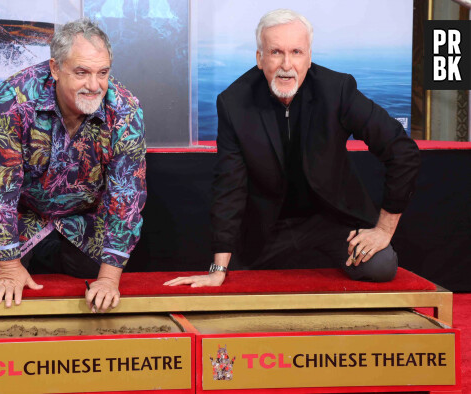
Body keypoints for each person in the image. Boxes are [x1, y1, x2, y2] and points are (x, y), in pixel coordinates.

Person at [165, 9, 420, 288]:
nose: (287, 64)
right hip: (267, 226)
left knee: (381, 265)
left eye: (296, 52)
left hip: (333, 219)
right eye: (276, 52)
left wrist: (383, 230)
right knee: (231, 281)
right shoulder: (233, 102)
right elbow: (229, 188)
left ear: (309, 57)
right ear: (260, 58)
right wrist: (217, 269)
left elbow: (401, 150)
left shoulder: (338, 90)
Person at [0, 18, 146, 311]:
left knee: (105, 278)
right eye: (82, 72)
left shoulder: (125, 110)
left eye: (102, 73)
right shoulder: (13, 98)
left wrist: (108, 278)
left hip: (85, 221)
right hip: (24, 218)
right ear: (55, 68)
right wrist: (8, 267)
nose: (94, 85)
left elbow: (127, 195)